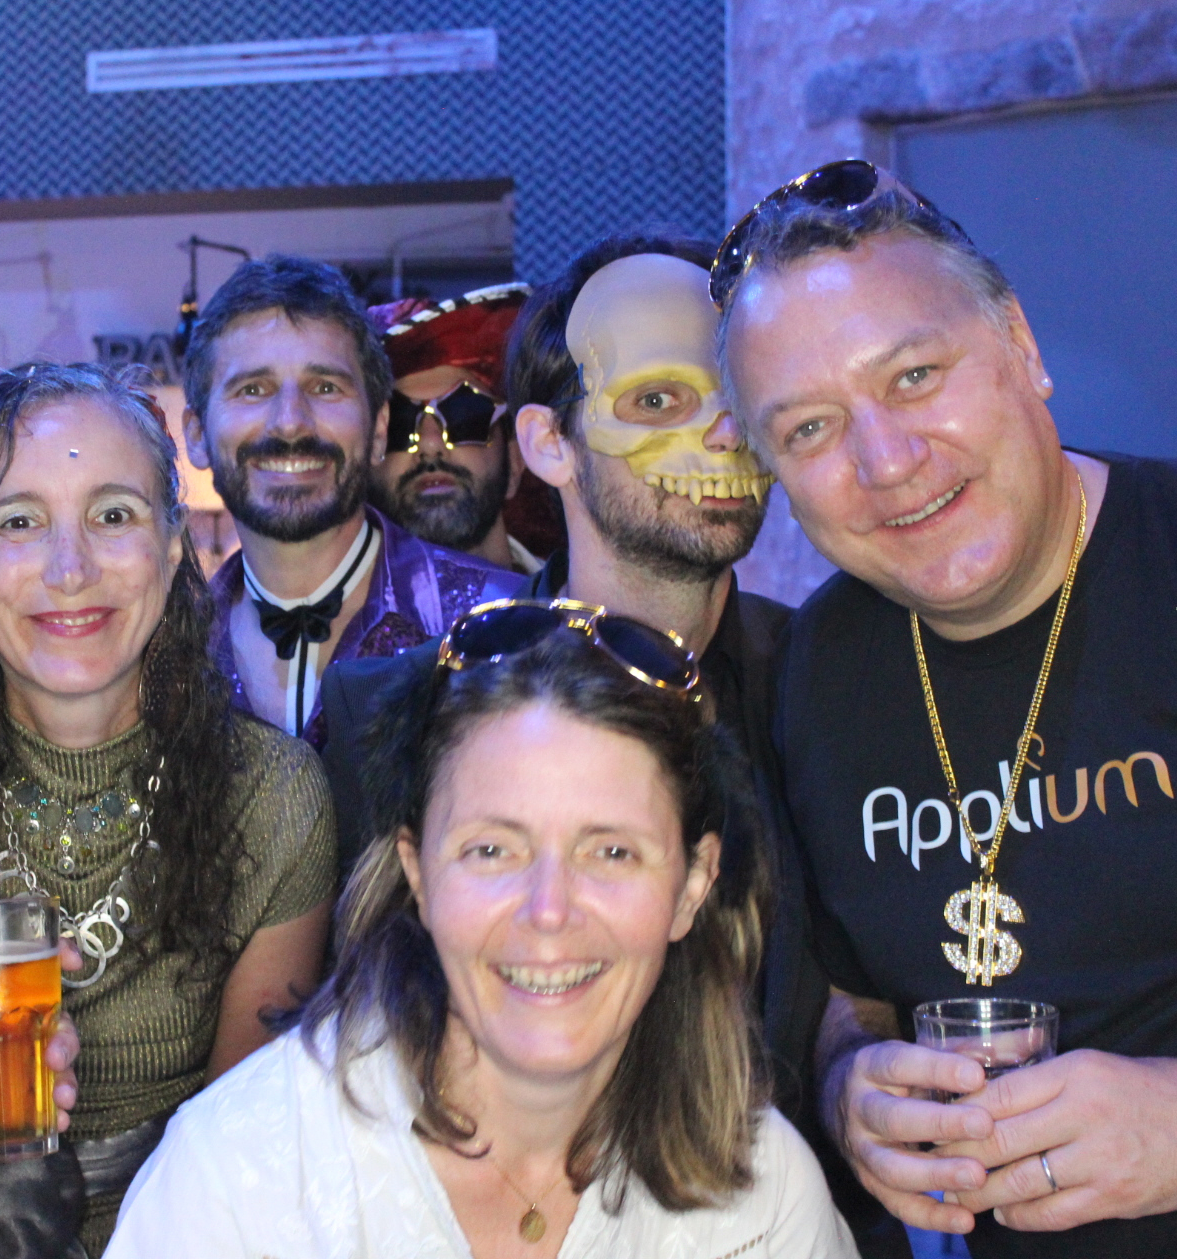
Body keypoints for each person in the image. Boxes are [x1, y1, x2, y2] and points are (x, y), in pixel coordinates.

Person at [717, 160, 1177, 1257]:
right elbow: (857, 990)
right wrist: (849, 1084)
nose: (887, 460)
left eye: (916, 375)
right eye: (812, 430)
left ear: (1021, 345)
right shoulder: (816, 672)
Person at [105, 613, 856, 1256]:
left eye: (611, 852)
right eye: (493, 850)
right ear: (418, 875)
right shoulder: (238, 1179)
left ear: (692, 887)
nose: (549, 911)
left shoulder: (766, 1200)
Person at [318, 235, 839, 1156]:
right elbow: (365, 1046)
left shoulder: (838, 682)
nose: (722, 433)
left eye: (739, 396)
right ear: (548, 443)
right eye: (657, 401)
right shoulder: (398, 709)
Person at [0, 363, 337, 1257]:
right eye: (18, 522)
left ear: (171, 548)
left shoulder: (273, 799)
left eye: (113, 516)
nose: (70, 569)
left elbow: (243, 1163)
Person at [180, 255, 521, 745]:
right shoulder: (164, 656)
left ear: (379, 429)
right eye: (253, 389)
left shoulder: (506, 625)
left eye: (325, 387)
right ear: (196, 435)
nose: (290, 422)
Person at [367, 284, 542, 572]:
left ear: (514, 463)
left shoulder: (584, 597)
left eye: (464, 415)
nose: (430, 444)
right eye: (398, 423)